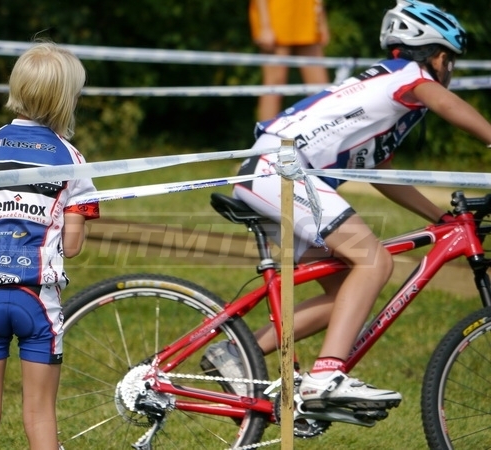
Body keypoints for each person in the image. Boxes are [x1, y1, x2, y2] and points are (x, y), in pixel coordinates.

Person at [205, 0, 491, 412]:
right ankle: (325, 376)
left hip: (271, 173)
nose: (451, 72)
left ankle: (235, 352)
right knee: (374, 262)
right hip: (280, 171)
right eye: (451, 61)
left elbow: (382, 173)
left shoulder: (386, 92)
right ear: (438, 57)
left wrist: (442, 219)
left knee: (345, 294)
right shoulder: (409, 76)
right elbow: (449, 104)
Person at [0, 41, 100, 450]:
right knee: (39, 416)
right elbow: (72, 245)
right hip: (38, 299)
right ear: (65, 100)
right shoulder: (71, 158)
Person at [249, 0, 331, 121]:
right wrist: (265, 26)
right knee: (274, 86)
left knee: (320, 87)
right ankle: (266, 131)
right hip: (277, 17)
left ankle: (324, 131)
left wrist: (322, 22)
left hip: (306, 17)